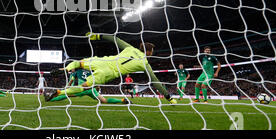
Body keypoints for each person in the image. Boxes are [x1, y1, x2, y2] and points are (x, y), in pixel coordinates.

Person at [45, 32, 177, 104]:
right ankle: (59, 92)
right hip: (109, 72)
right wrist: (168, 96)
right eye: (152, 51)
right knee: (85, 86)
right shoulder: (145, 63)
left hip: (104, 60)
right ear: (149, 52)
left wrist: (96, 36)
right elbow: (154, 80)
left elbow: (114, 38)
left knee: (79, 63)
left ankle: (65, 70)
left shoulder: (130, 48)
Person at [47, 68, 129, 104]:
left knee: (67, 95)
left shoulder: (76, 72)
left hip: (82, 89)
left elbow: (71, 81)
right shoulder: (91, 72)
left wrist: (68, 88)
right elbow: (96, 82)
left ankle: (53, 96)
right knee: (104, 100)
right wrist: (97, 88)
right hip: (91, 89)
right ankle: (122, 100)